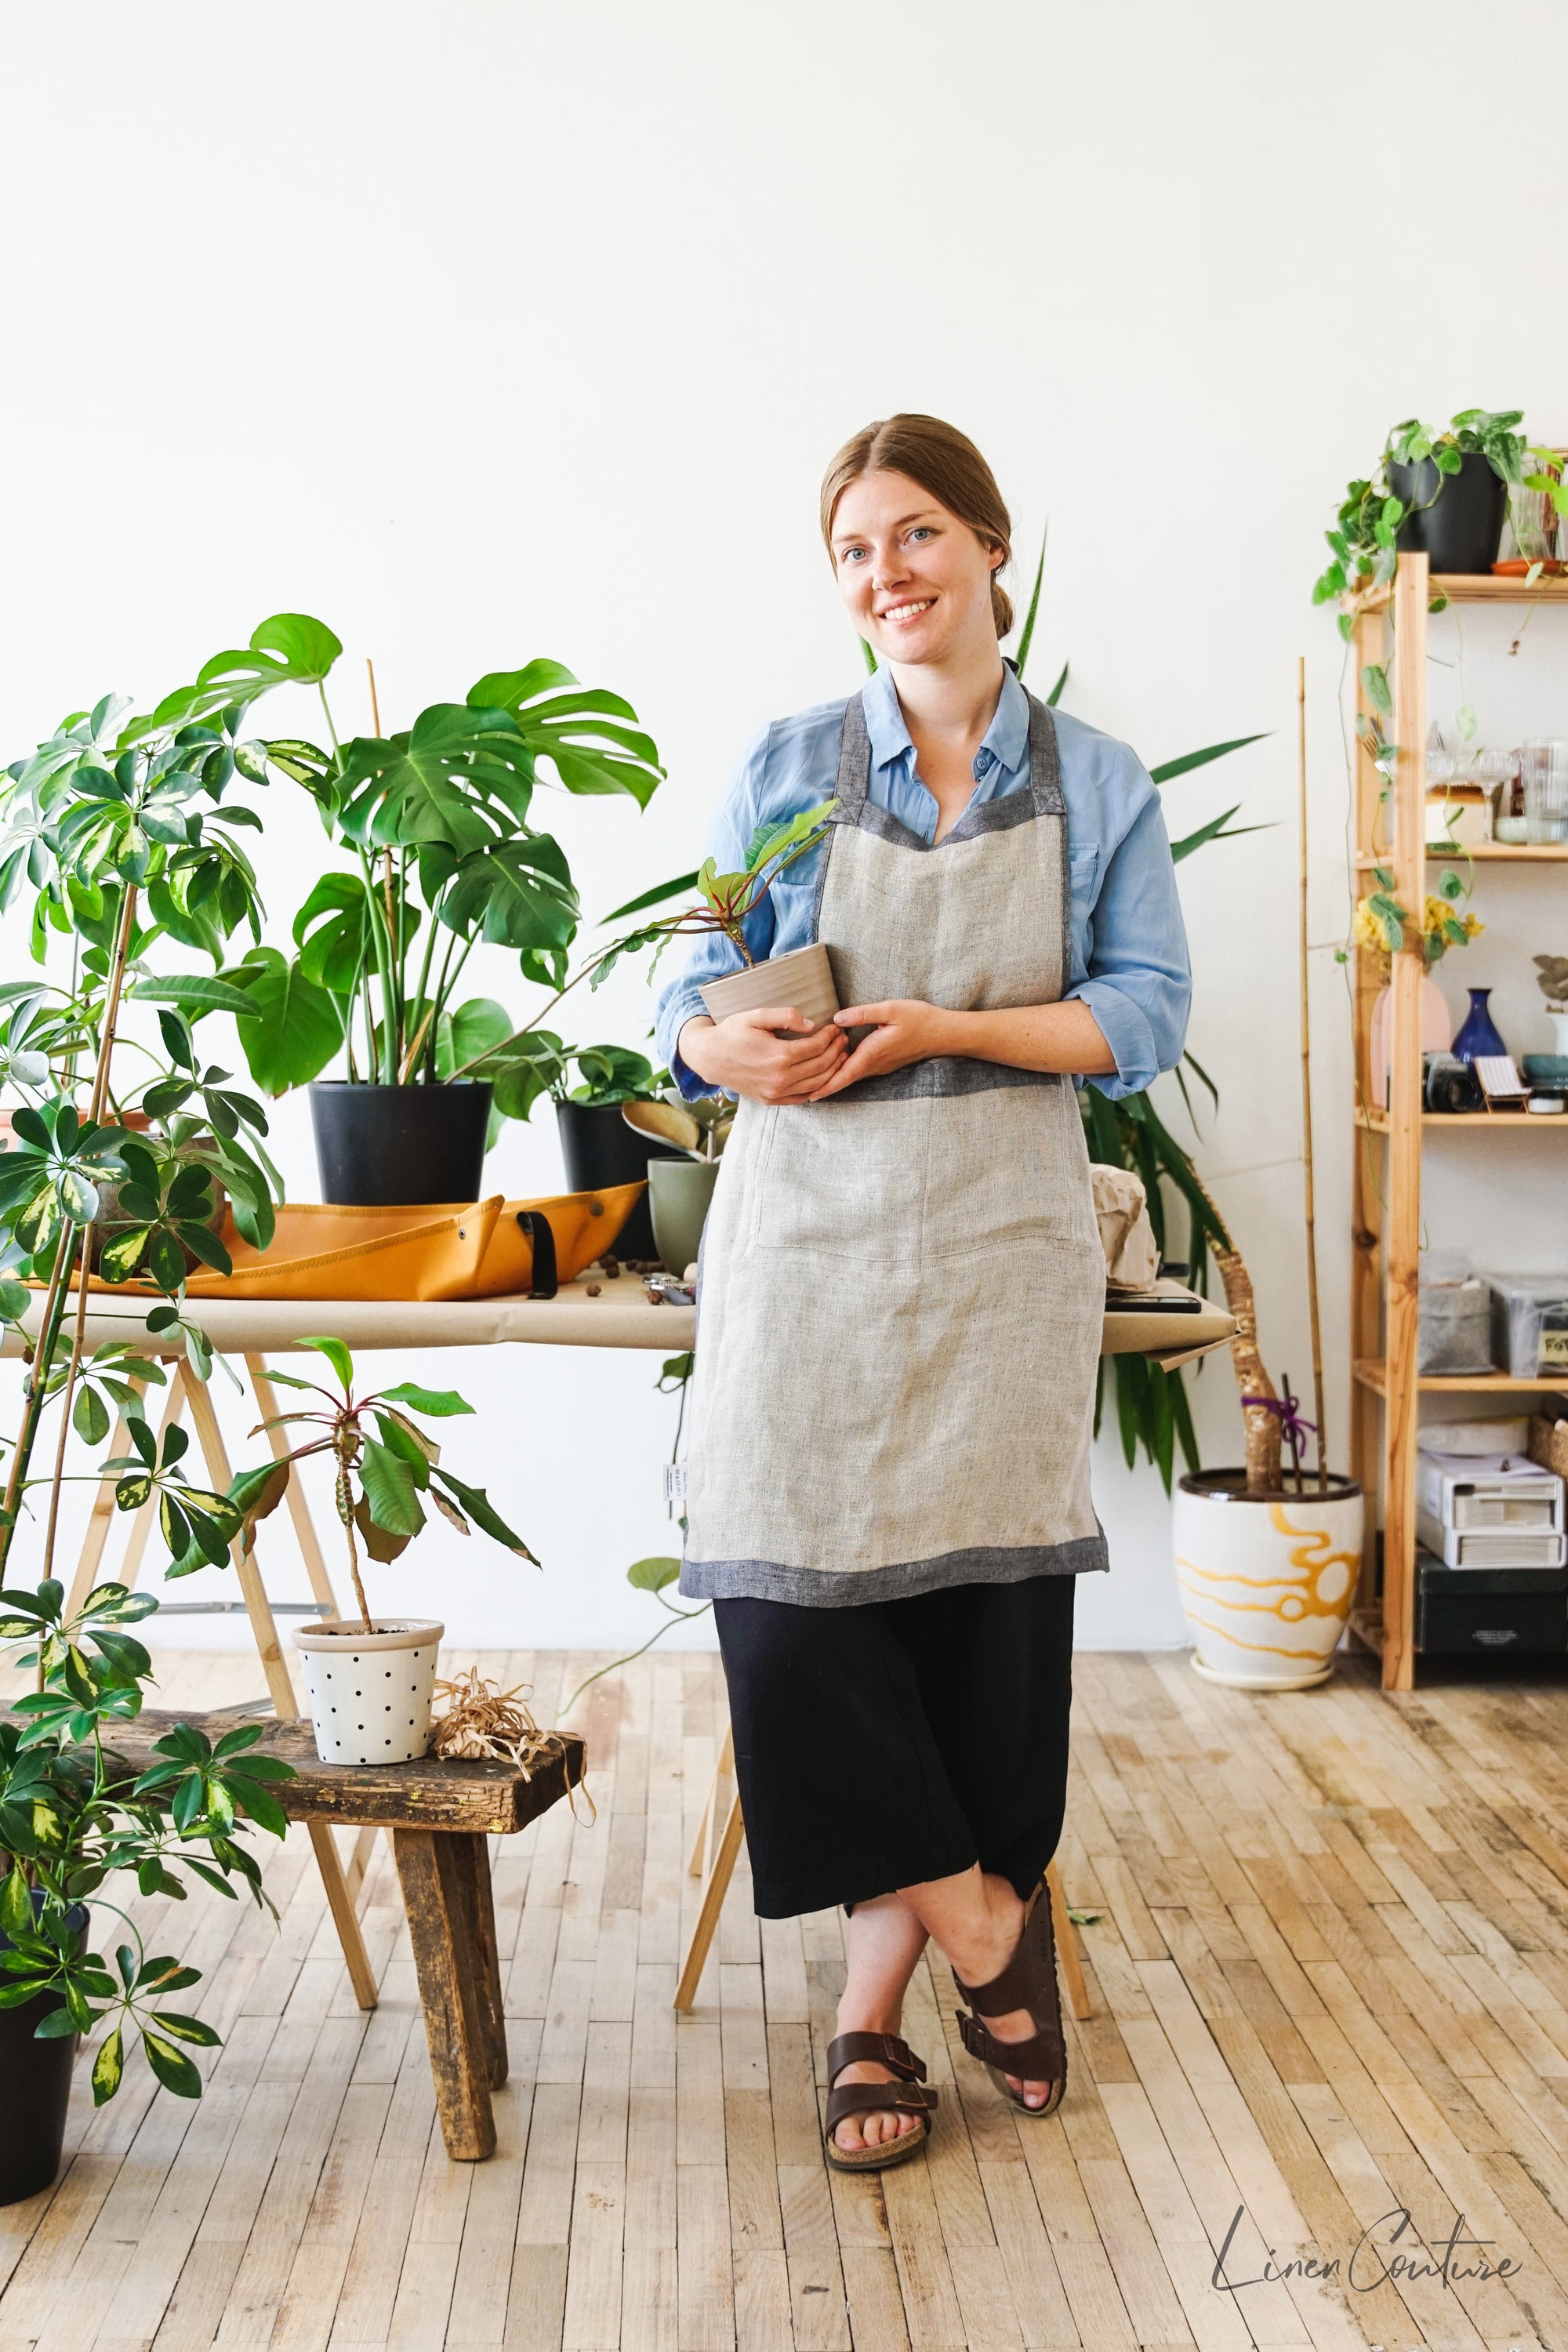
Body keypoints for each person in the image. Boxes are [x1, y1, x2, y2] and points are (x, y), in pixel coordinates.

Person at [654, 414, 1190, 2170]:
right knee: (789, 1601)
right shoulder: (792, 764)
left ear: (988, 546)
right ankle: (982, 1924)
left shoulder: (1095, 781)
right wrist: (717, 1041)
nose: (886, 575)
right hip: (810, 1247)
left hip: (997, 1255)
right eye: (854, 551)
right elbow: (686, 985)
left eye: (915, 536)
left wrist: (946, 1025)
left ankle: (864, 2022)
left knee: (971, 1625)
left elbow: (1143, 1015)